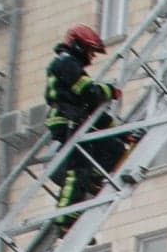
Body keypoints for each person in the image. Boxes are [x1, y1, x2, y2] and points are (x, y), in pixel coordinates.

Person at [44, 24, 133, 213]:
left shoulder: (69, 64)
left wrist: (123, 133)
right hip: (66, 120)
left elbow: (93, 112)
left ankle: (92, 180)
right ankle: (65, 215)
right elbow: (89, 92)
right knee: (79, 167)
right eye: (91, 51)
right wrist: (109, 91)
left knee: (114, 147)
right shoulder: (66, 63)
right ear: (79, 46)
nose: (92, 57)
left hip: (75, 118)